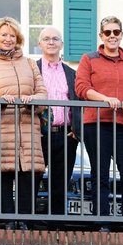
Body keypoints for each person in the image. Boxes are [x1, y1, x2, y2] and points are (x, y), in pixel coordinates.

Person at [0, 17, 47, 231]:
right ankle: (7, 222)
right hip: (0, 130)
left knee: (27, 175)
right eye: (4, 35)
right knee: (4, 175)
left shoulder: (30, 63)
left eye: (12, 36)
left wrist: (34, 101)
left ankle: (23, 221)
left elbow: (43, 93)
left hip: (27, 129)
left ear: (18, 39)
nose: (8, 39)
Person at [75, 16, 123, 232]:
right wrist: (105, 99)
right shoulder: (89, 59)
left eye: (116, 32)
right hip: (97, 123)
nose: (112, 36)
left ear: (122, 34)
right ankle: (102, 221)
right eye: (108, 33)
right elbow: (81, 87)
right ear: (101, 36)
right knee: (100, 174)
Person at [36, 27, 82, 230]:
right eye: (46, 39)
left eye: (55, 38)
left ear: (61, 44)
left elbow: (79, 102)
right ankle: (30, 225)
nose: (51, 42)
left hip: (66, 135)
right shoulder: (32, 70)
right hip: (38, 134)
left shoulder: (72, 73)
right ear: (40, 44)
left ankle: (56, 227)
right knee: (32, 180)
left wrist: (77, 130)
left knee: (60, 183)